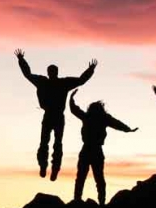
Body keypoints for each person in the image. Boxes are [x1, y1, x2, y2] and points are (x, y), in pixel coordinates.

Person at [15, 49, 97, 180]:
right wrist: (21, 60)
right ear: (50, 73)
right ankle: (46, 167)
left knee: (52, 144)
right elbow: (27, 74)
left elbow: (81, 80)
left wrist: (91, 70)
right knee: (49, 143)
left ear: (53, 73)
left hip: (55, 116)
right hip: (52, 116)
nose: (52, 73)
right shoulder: (56, 83)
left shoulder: (54, 82)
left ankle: (52, 169)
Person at [69, 89, 137, 205]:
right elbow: (75, 110)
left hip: (92, 150)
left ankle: (86, 200)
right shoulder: (96, 118)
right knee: (90, 177)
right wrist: (71, 99)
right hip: (91, 150)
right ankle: (83, 200)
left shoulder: (95, 118)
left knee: (91, 177)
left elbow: (117, 124)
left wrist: (128, 129)